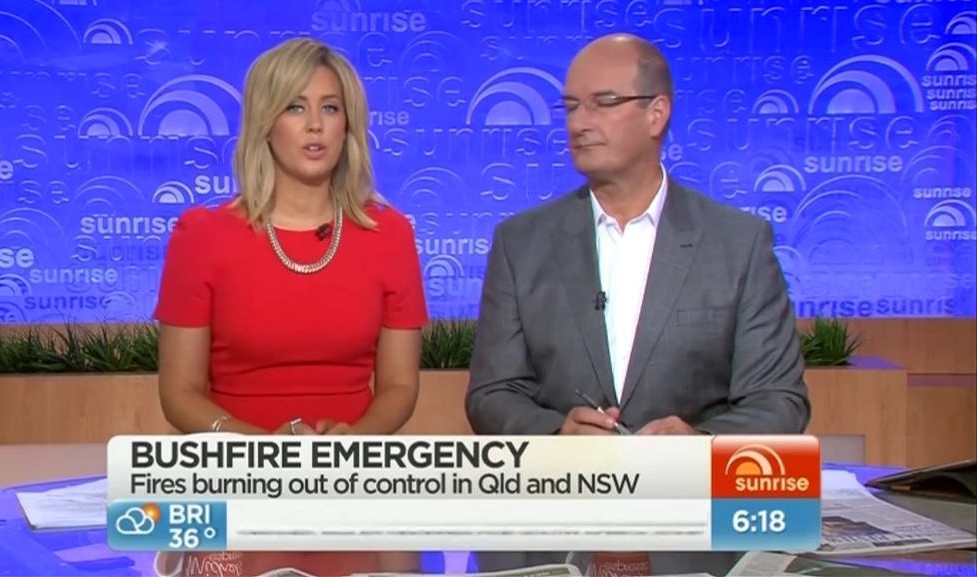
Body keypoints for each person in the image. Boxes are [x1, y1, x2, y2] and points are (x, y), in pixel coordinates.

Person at [465, 33, 811, 576]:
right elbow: (492, 393)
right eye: (571, 106)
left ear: (657, 114)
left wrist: (699, 444)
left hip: (695, 540)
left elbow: (779, 401)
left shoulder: (738, 244)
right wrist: (556, 437)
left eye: (603, 103)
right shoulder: (521, 243)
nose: (579, 123)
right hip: (555, 539)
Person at [154, 38, 427, 576]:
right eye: (296, 107)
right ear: (265, 121)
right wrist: (263, 452)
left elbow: (400, 386)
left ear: (348, 125)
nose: (315, 125)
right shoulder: (202, 236)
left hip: (353, 472)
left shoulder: (390, 234)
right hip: (234, 470)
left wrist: (354, 444)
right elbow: (178, 394)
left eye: (331, 108)